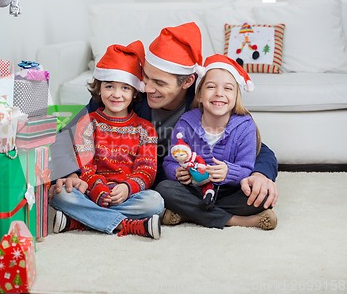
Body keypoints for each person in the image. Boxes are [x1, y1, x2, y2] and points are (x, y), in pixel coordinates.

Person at [49, 22, 278, 228]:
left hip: (162, 187)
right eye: (146, 77)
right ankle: (130, 222)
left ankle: (190, 213)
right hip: (126, 184)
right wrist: (70, 173)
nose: (147, 88)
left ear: (187, 82)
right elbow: (65, 136)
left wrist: (260, 174)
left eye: (159, 83)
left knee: (253, 196)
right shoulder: (126, 95)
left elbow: (258, 147)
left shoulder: (202, 105)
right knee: (66, 194)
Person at [50, 40, 163, 239]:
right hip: (92, 191)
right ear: (99, 89)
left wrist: (128, 188)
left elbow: (147, 168)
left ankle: (78, 221)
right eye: (109, 86)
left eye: (125, 88)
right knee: (59, 194)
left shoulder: (145, 128)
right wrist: (96, 187)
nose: (116, 94)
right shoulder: (87, 123)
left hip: (127, 194)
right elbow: (85, 164)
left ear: (135, 92)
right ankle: (126, 225)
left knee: (155, 202)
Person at [158, 54, 277, 230]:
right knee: (164, 189)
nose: (219, 93)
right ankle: (235, 220)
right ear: (199, 94)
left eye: (228, 88)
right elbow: (170, 161)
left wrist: (228, 173)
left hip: (228, 191)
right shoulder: (186, 123)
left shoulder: (245, 126)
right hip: (196, 190)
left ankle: (188, 213)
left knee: (262, 197)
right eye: (211, 87)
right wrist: (177, 172)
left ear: (237, 96)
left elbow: (246, 168)